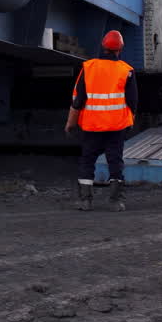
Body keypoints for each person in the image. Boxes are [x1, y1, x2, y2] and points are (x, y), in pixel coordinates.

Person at [64, 30, 139, 211]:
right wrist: (129, 122)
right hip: (116, 127)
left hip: (92, 126)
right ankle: (115, 201)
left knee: (87, 160)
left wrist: (70, 123)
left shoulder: (89, 68)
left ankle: (85, 201)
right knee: (115, 161)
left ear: (103, 47)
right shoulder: (126, 71)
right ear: (120, 49)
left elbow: (78, 101)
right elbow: (133, 102)